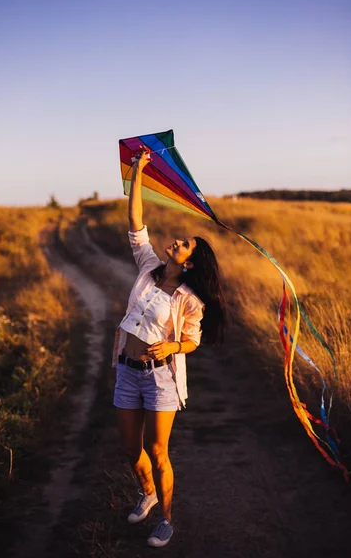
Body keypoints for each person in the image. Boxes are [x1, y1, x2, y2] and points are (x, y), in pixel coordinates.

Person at [112, 147, 227, 548]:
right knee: (131, 449)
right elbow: (135, 223)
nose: (176, 241)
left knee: (158, 452)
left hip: (160, 380)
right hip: (127, 370)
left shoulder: (189, 299)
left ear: (190, 263)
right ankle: (146, 493)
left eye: (184, 245)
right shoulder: (148, 267)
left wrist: (173, 345)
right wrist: (139, 172)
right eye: (181, 240)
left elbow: (192, 340)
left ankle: (165, 518)